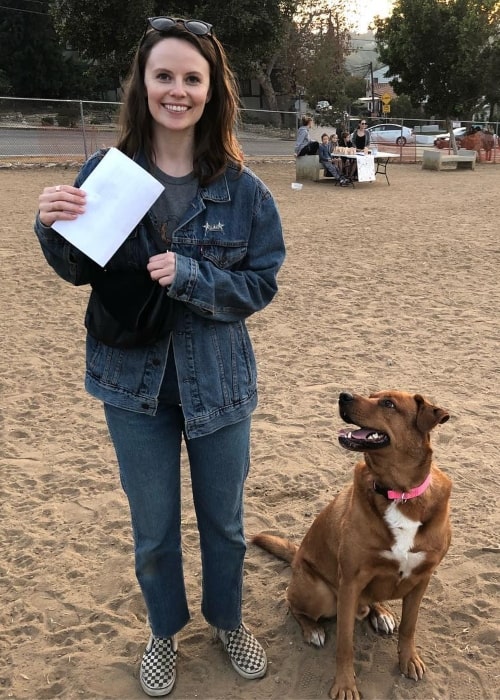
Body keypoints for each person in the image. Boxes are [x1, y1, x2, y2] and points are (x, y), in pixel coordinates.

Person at [34, 16, 285, 698]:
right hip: (130, 385)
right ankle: (163, 632)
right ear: (143, 85)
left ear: (213, 90)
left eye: (192, 78)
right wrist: (49, 224)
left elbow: (262, 282)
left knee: (225, 526)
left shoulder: (245, 189)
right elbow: (74, 269)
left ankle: (228, 620)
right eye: (164, 75)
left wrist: (195, 277)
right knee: (152, 530)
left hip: (221, 385)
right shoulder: (107, 174)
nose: (178, 90)